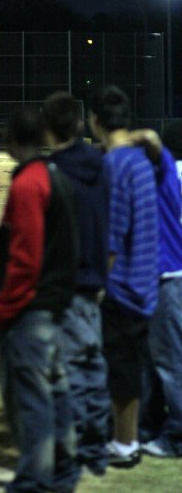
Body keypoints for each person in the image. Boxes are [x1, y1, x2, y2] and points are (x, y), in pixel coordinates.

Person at [0, 106, 80, 493]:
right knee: (54, 391)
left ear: (12, 140)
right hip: (53, 303)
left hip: (30, 309)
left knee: (31, 399)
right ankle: (62, 469)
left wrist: (5, 308)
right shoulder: (54, 174)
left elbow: (25, 258)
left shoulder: (28, 184)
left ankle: (35, 481)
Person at [88, 85, 159, 469]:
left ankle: (124, 444)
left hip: (122, 286)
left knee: (120, 371)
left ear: (94, 121)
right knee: (131, 366)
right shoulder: (142, 160)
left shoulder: (115, 166)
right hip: (145, 281)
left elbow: (112, 237)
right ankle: (125, 437)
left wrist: (99, 286)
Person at [42, 91, 111, 476]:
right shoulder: (103, 164)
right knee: (91, 364)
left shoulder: (50, 172)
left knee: (60, 373)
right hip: (96, 279)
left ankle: (67, 462)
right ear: (81, 125)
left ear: (48, 127)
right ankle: (96, 450)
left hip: (60, 283)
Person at [129, 124, 182, 459]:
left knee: (164, 359)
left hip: (167, 275)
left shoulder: (169, 172)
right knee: (159, 357)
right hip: (167, 275)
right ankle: (151, 427)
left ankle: (174, 435)